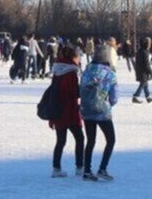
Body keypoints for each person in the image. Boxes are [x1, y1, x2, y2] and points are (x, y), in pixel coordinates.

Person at [80, 44, 118, 181]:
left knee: (90, 141)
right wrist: (108, 104)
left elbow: (81, 88)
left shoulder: (87, 70)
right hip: (102, 111)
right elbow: (114, 97)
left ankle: (87, 171)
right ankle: (102, 168)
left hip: (87, 109)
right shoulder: (110, 73)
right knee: (111, 140)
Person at [48, 46, 84, 178]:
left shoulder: (57, 71)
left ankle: (56, 168)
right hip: (70, 110)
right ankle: (80, 166)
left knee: (60, 141)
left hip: (58, 111)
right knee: (79, 138)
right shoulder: (71, 73)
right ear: (72, 57)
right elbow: (74, 93)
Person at [132, 37, 152, 104]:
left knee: (145, 83)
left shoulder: (140, 50)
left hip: (139, 70)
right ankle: (136, 96)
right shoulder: (144, 52)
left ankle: (148, 97)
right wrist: (150, 71)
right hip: (143, 71)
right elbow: (146, 63)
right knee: (143, 83)